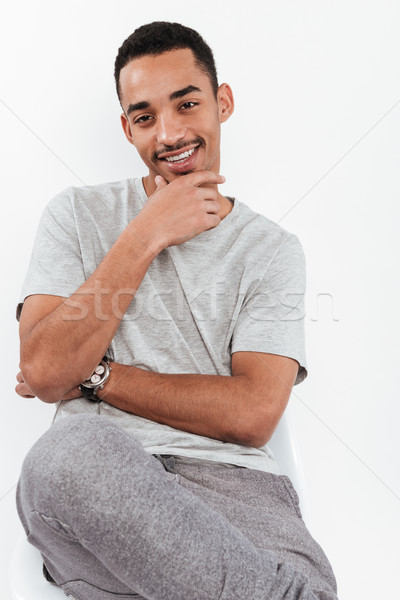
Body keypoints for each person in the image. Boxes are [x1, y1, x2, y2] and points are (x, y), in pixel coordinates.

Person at [15, 21, 338, 600]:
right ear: (126, 128)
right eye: (144, 117)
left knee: (296, 579)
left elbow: (253, 413)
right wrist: (145, 234)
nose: (169, 133)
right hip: (95, 487)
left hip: (235, 491)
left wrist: (97, 376)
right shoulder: (74, 215)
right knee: (67, 455)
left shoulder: (272, 251)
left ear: (223, 102)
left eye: (187, 104)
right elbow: (43, 372)